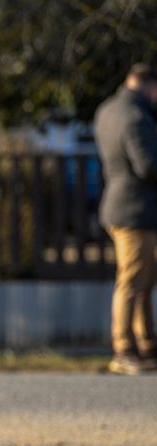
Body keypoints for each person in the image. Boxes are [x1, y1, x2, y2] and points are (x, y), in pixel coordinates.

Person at [93, 63, 157, 375]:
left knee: (143, 279)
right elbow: (147, 166)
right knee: (133, 281)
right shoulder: (135, 116)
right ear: (151, 87)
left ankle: (145, 344)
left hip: (120, 206)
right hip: (135, 210)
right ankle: (124, 349)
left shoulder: (108, 110)